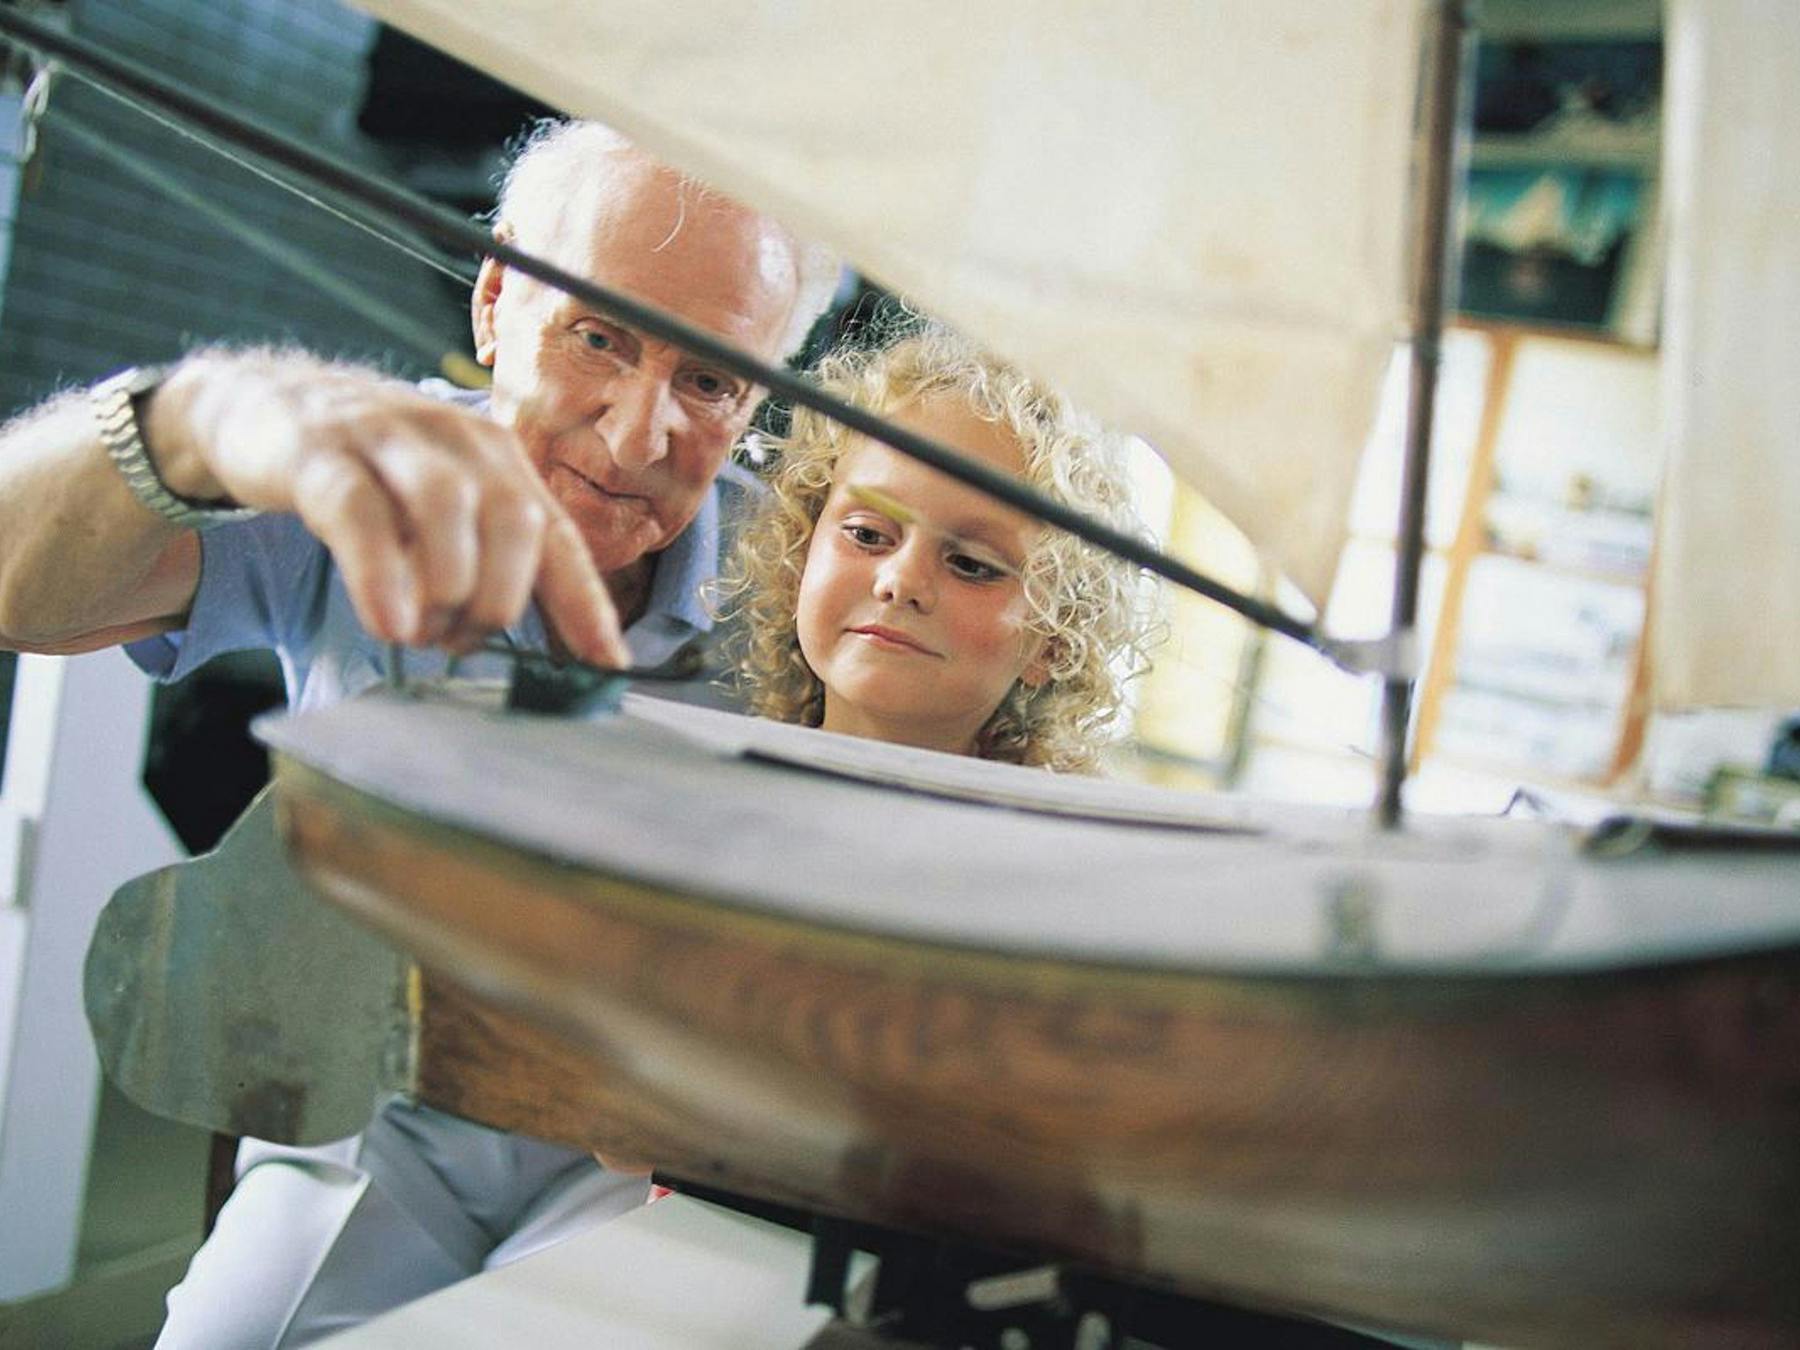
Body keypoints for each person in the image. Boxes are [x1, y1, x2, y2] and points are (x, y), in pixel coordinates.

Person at [0, 119, 838, 1345]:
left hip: (644, 1149)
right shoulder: (364, 467)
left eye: (709, 379)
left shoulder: (805, 575)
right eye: (597, 335)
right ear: (498, 300)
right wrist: (182, 422)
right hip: (373, 1118)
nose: (634, 436)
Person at [714, 325, 1159, 773]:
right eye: (867, 535)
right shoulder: (709, 781)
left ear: (1055, 644)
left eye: (970, 565)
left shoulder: (1058, 839)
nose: (901, 582)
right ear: (800, 556)